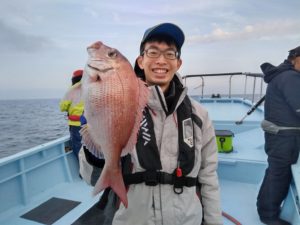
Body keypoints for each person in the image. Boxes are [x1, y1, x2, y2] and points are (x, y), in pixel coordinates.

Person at [79, 22, 223, 225]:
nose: (161, 60)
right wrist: (96, 150)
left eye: (170, 54)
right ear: (140, 61)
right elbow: (91, 179)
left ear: (178, 63)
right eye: (153, 52)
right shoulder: (121, 103)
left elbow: (209, 177)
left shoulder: (199, 115)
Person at [257, 46, 300, 225]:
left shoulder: (283, 75)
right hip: (284, 137)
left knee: (276, 172)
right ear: (295, 58)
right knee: (278, 174)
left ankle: (265, 209)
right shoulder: (291, 77)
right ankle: (268, 215)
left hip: (280, 135)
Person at [60, 69, 84, 160]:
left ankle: (84, 171)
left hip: (76, 125)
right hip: (92, 125)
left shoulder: (72, 90)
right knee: (92, 148)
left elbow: (62, 107)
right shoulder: (93, 88)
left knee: (78, 147)